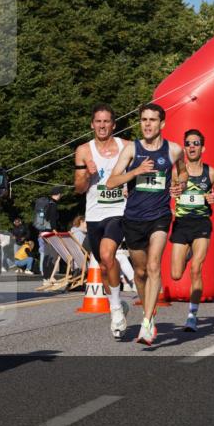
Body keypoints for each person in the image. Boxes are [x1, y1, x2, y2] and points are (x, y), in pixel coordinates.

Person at [106, 103, 183, 346]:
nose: (148, 124)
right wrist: (136, 171)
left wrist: (179, 185)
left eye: (152, 120)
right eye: (144, 120)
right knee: (139, 272)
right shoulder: (131, 149)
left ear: (162, 124)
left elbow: (182, 173)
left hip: (159, 216)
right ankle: (148, 310)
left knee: (153, 266)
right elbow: (111, 182)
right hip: (134, 218)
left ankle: (148, 323)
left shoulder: (174, 150)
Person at [74, 103, 131, 338]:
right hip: (94, 214)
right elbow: (78, 189)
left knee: (108, 255)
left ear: (113, 125)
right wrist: (87, 173)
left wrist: (130, 186)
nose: (102, 125)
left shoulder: (126, 146)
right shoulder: (83, 151)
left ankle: (116, 309)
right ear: (92, 124)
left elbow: (140, 171)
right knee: (106, 268)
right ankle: (117, 304)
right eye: (98, 121)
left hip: (119, 211)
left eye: (106, 121)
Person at [169, 129, 214, 332]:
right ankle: (188, 253)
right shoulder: (177, 171)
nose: (191, 146)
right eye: (188, 143)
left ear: (203, 148)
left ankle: (192, 315)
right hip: (182, 224)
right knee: (176, 274)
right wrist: (173, 191)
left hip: (202, 223)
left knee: (196, 269)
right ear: (184, 148)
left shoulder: (211, 173)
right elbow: (169, 191)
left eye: (195, 143)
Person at [33, 187, 63, 278]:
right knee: (51, 254)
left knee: (47, 253)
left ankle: (46, 276)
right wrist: (54, 230)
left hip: (44, 231)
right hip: (50, 232)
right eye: (61, 194)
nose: (61, 196)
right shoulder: (53, 204)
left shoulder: (47, 203)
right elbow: (52, 219)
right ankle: (48, 276)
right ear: (58, 194)